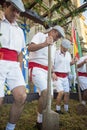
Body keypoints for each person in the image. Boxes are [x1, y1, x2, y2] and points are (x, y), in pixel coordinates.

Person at [28, 25, 65, 130]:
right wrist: (45, 44)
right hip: (36, 68)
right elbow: (30, 48)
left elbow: (50, 62)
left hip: (47, 71)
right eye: (58, 35)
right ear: (53, 31)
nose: (58, 38)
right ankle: (39, 121)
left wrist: (52, 72)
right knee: (46, 92)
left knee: (49, 96)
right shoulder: (40, 35)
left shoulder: (53, 46)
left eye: (59, 37)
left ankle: (42, 118)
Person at [0, 0, 27, 130]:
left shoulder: (20, 31)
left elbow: (20, 52)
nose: (16, 14)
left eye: (18, 11)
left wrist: (20, 67)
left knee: (21, 96)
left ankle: (10, 128)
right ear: (6, 5)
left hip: (14, 64)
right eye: (13, 9)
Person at [52, 39, 76, 114]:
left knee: (67, 93)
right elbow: (51, 64)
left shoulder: (68, 54)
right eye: (66, 47)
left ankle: (66, 109)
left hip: (65, 76)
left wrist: (73, 62)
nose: (67, 48)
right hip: (57, 76)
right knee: (61, 92)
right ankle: (58, 109)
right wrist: (53, 73)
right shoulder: (55, 53)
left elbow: (69, 64)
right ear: (62, 46)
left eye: (68, 47)